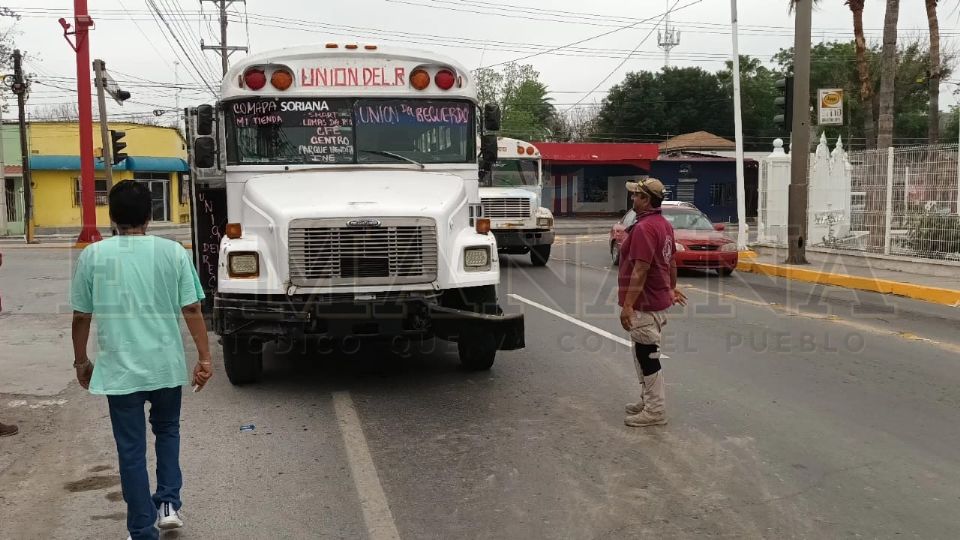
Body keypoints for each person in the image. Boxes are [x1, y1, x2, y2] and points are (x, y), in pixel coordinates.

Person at [71, 180, 213, 540]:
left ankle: (140, 529)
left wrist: (81, 362)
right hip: (164, 366)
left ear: (112, 216)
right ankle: (168, 503)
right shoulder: (172, 252)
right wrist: (204, 357)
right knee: (167, 431)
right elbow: (192, 307)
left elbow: (81, 317)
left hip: (120, 372)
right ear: (150, 216)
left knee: (130, 449)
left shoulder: (93, 255)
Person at [617, 178, 686, 428]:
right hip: (655, 299)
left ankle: (655, 409)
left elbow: (641, 270)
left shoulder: (646, 228)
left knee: (648, 356)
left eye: (636, 195)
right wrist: (671, 288)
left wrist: (627, 305)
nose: (633, 198)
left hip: (645, 304)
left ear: (647, 200)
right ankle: (648, 400)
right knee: (641, 353)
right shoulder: (663, 224)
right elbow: (671, 262)